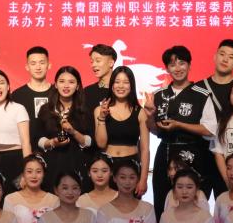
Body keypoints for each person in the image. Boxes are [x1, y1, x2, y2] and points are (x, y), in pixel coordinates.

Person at [145, 45, 218, 220]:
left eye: (182, 63)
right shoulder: (158, 95)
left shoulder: (201, 95)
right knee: (162, 204)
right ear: (167, 69)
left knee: (193, 206)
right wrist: (150, 115)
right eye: (172, 65)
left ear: (189, 65)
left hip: (194, 154)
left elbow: (210, 130)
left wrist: (179, 125)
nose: (177, 68)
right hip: (165, 153)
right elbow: (154, 130)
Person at [194, 39, 233, 199]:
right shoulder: (198, 88)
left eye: (231, 57)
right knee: (196, 207)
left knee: (230, 207)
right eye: (222, 54)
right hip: (201, 157)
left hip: (231, 158)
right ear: (215, 57)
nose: (225, 59)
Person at [94, 66, 150, 196]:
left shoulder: (140, 112)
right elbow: (101, 144)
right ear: (112, 85)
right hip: (107, 167)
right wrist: (102, 118)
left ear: (131, 86)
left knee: (130, 207)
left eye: (125, 82)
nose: (121, 86)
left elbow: (145, 149)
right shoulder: (100, 110)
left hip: (131, 167)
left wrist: (143, 179)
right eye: (117, 82)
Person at [37, 66, 94, 190]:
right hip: (52, 166)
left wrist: (72, 131)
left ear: (77, 86)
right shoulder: (46, 109)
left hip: (78, 165)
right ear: (56, 84)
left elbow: (90, 142)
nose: (66, 86)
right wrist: (53, 142)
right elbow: (39, 139)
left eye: (71, 82)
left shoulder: (85, 110)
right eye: (62, 81)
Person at [3, 155, 59, 223]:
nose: (34, 176)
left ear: (44, 174)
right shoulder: (11, 199)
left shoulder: (53, 200)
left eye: (38, 171)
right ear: (23, 174)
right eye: (29, 171)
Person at [11, 46, 55, 151]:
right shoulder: (17, 95)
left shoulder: (57, 92)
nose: (38, 67)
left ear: (49, 65)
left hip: (55, 150)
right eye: (33, 63)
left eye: (42, 63)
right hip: (25, 151)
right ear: (27, 66)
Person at [83, 43, 117, 110]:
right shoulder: (87, 92)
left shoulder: (121, 90)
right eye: (92, 62)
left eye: (98, 61)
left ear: (111, 63)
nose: (93, 65)